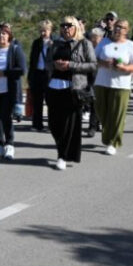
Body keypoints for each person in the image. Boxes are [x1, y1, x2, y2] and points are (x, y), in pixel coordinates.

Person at [46, 16, 97, 170]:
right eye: (63, 25)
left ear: (76, 27)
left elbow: (93, 65)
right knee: (54, 124)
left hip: (73, 89)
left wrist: (71, 65)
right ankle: (63, 151)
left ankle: (62, 155)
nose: (65, 28)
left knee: (69, 125)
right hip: (54, 87)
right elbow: (47, 63)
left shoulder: (85, 43)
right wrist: (55, 65)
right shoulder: (55, 43)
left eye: (69, 25)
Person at [93, 19, 133, 155]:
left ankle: (113, 141)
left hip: (121, 84)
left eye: (122, 27)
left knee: (116, 114)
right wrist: (104, 63)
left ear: (127, 31)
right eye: (117, 26)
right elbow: (93, 59)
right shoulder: (104, 42)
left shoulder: (130, 45)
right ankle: (109, 135)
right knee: (101, 111)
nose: (118, 29)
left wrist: (124, 67)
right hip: (102, 82)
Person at [0, 22, 26, 160]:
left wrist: (4, 73)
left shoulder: (14, 49)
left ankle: (10, 145)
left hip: (9, 90)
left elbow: (21, 70)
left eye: (4, 33)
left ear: (9, 36)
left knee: (6, 118)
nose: (1, 36)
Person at [28, 20, 54, 131]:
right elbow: (32, 59)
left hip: (49, 74)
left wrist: (52, 47)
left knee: (50, 101)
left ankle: (51, 125)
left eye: (45, 30)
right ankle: (37, 124)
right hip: (37, 73)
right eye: (41, 30)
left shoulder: (55, 42)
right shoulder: (36, 42)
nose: (43, 33)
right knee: (37, 100)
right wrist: (30, 76)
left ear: (50, 30)